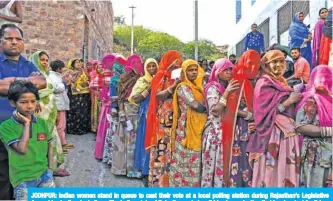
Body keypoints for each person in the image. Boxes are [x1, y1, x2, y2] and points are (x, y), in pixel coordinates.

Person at [0, 23, 46, 200]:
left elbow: (42, 82)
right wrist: (27, 83)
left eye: (18, 39)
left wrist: (12, 81)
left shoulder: (28, 64)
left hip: (26, 129)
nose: (14, 42)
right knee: (3, 173)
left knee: (25, 172)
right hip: (2, 128)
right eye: (9, 38)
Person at [247, 50, 302, 187]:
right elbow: (263, 113)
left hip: (286, 135)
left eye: (281, 61)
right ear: (266, 64)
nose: (278, 65)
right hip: (273, 136)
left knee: (284, 173)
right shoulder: (264, 83)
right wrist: (289, 101)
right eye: (274, 62)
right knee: (272, 173)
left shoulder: (282, 82)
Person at [0, 80, 55, 201]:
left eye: (33, 101)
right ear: (13, 103)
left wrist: (50, 169)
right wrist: (26, 124)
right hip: (23, 179)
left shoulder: (41, 123)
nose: (30, 106)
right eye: (24, 102)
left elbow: (49, 145)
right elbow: (22, 149)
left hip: (44, 174)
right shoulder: (6, 126)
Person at [222, 50, 261, 187]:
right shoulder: (237, 81)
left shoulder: (256, 81)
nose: (252, 68)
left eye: (256, 64)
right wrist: (249, 116)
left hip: (255, 127)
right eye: (250, 64)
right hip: (240, 127)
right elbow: (230, 108)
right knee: (241, 158)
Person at [145, 50, 182, 187]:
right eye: (173, 63)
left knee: (172, 152)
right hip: (163, 120)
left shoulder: (178, 75)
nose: (176, 65)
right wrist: (173, 86)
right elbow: (158, 96)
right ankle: (159, 183)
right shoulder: (161, 76)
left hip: (177, 120)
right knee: (162, 150)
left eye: (178, 62)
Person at [30, 51, 70, 177]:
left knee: (51, 139)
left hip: (50, 112)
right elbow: (29, 92)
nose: (45, 62)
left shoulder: (45, 75)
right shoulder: (32, 75)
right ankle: (41, 169)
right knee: (40, 140)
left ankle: (53, 167)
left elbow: (51, 93)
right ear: (35, 60)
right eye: (42, 59)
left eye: (47, 60)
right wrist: (35, 99)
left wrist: (56, 112)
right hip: (39, 113)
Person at [169, 59, 207, 187]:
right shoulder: (183, 87)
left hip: (198, 127)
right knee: (186, 159)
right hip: (186, 129)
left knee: (194, 160)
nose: (194, 72)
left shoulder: (198, 86)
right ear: (184, 72)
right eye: (190, 70)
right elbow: (195, 105)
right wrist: (211, 109)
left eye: (196, 69)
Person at [201, 58, 236, 187]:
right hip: (215, 133)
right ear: (217, 71)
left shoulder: (226, 86)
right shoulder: (212, 88)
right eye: (225, 70)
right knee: (213, 168)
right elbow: (215, 111)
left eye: (230, 69)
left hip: (224, 131)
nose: (228, 72)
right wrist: (226, 93)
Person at [296, 65, 332, 187]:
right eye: (320, 77)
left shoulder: (330, 100)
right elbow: (300, 126)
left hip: (329, 155)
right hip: (315, 156)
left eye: (327, 78)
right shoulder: (312, 100)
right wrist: (329, 131)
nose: (323, 81)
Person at [111, 54, 143, 177]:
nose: (136, 65)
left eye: (138, 62)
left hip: (138, 111)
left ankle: (133, 169)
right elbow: (120, 97)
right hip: (126, 110)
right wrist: (121, 112)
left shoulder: (143, 78)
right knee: (123, 139)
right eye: (133, 62)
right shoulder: (124, 78)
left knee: (135, 142)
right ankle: (121, 168)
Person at [128, 58, 159, 186]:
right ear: (145, 68)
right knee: (146, 141)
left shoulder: (162, 78)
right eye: (149, 67)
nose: (151, 69)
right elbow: (135, 98)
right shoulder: (142, 81)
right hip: (146, 115)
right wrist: (149, 89)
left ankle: (156, 170)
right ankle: (145, 172)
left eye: (154, 66)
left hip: (159, 115)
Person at [102, 55, 126, 165]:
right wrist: (114, 108)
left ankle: (115, 159)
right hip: (116, 108)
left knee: (117, 133)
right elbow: (113, 96)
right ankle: (114, 159)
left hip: (120, 107)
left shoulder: (122, 78)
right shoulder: (115, 79)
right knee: (116, 133)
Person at [49, 59, 73, 159]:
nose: (63, 69)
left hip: (61, 104)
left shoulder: (56, 76)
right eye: (62, 68)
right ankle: (60, 147)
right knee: (59, 126)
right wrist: (64, 83)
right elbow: (56, 88)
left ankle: (63, 143)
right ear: (58, 68)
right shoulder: (52, 77)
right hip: (58, 105)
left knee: (62, 125)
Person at [93, 55, 114, 160]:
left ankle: (110, 153)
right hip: (107, 104)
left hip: (114, 103)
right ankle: (101, 152)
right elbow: (92, 86)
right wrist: (101, 96)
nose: (110, 63)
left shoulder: (117, 73)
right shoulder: (103, 74)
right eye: (108, 61)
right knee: (105, 126)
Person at [66, 59, 91, 135]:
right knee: (75, 110)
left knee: (83, 111)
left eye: (79, 62)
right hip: (74, 95)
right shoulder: (69, 72)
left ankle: (83, 128)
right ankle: (74, 128)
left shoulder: (84, 71)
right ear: (72, 64)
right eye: (76, 62)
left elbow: (89, 79)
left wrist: (86, 83)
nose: (78, 64)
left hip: (84, 94)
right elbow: (68, 82)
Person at [89, 63, 104, 133]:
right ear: (96, 69)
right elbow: (91, 86)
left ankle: (103, 128)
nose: (100, 69)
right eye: (99, 68)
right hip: (97, 97)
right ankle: (96, 128)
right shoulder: (96, 77)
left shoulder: (107, 77)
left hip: (106, 98)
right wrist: (97, 90)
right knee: (97, 111)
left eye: (102, 67)